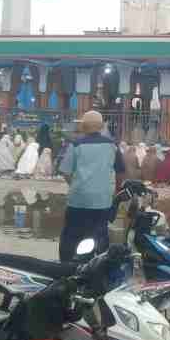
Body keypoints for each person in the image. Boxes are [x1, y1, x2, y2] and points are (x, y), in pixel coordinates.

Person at [57, 111, 125, 262]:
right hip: (102, 200)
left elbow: (65, 171)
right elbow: (120, 171)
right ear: (101, 126)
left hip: (78, 200)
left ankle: (66, 265)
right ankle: (99, 265)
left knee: (70, 236)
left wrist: (75, 185)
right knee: (100, 236)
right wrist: (116, 190)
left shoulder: (76, 144)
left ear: (83, 126)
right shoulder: (112, 145)